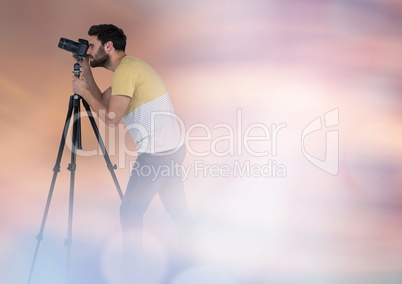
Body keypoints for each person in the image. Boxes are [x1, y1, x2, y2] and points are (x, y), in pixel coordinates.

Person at [71, 24, 193, 279]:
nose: (89, 51)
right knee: (177, 212)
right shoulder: (131, 67)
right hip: (172, 149)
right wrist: (86, 73)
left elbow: (112, 117)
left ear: (109, 46)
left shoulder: (126, 72)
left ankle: (132, 274)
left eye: (92, 46)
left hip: (157, 155)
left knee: (130, 213)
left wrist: (82, 92)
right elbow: (104, 102)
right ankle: (191, 258)